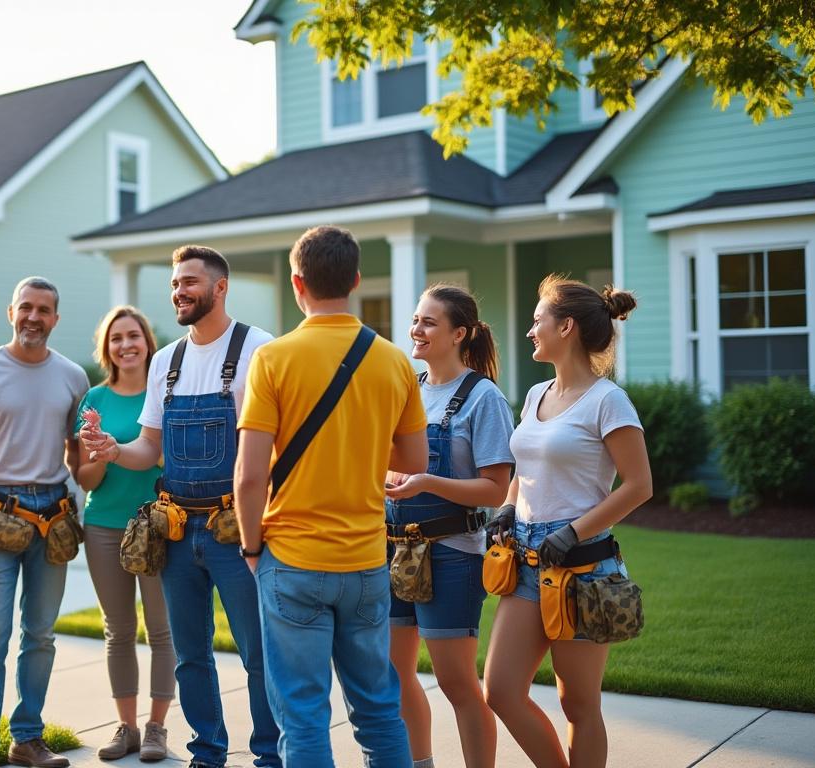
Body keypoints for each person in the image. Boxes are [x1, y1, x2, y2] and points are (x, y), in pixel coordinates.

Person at [234, 225, 428, 768]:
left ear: (298, 283)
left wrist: (252, 548)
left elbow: (249, 476)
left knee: (301, 715)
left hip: (292, 559)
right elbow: (413, 462)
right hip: (366, 561)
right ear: (356, 280)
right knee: (378, 711)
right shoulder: (393, 361)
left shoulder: (273, 359)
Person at [82, 245, 281, 768]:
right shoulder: (166, 361)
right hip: (174, 529)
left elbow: (281, 445)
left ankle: (268, 755)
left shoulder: (261, 350)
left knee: (259, 652)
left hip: (235, 529)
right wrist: (113, 451)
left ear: (220, 288)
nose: (179, 291)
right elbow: (151, 448)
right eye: (175, 283)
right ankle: (208, 752)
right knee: (191, 655)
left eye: (190, 281)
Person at [482, 275, 652, 768]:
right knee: (500, 690)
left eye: (538, 320)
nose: (531, 330)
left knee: (577, 703)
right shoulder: (536, 395)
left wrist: (573, 530)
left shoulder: (607, 401)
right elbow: (525, 469)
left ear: (567, 326)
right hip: (525, 559)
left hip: (581, 566)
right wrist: (508, 507)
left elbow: (639, 486)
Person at [0, 276, 90, 768]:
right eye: (26, 308)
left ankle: (27, 739)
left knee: (40, 633)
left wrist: (83, 501)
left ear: (56, 318)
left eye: (44, 310)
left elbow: (77, 452)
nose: (34, 317)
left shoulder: (74, 377)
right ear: (10, 313)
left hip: (53, 516)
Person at [383, 284, 515, 768]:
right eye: (416, 320)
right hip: (394, 549)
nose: (416, 329)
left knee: (457, 682)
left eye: (429, 322)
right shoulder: (408, 389)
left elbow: (495, 489)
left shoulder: (484, 399)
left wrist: (425, 483)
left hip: (452, 554)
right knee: (394, 673)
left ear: (460, 333)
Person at [73, 305, 174, 762]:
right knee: (118, 630)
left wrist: (131, 450)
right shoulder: (94, 401)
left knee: (162, 632)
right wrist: (97, 449)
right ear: (106, 347)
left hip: (156, 527)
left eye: (133, 335)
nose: (126, 345)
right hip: (104, 528)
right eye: (116, 338)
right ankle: (126, 728)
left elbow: (170, 461)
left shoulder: (165, 394)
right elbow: (88, 480)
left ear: (146, 342)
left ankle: (157, 728)